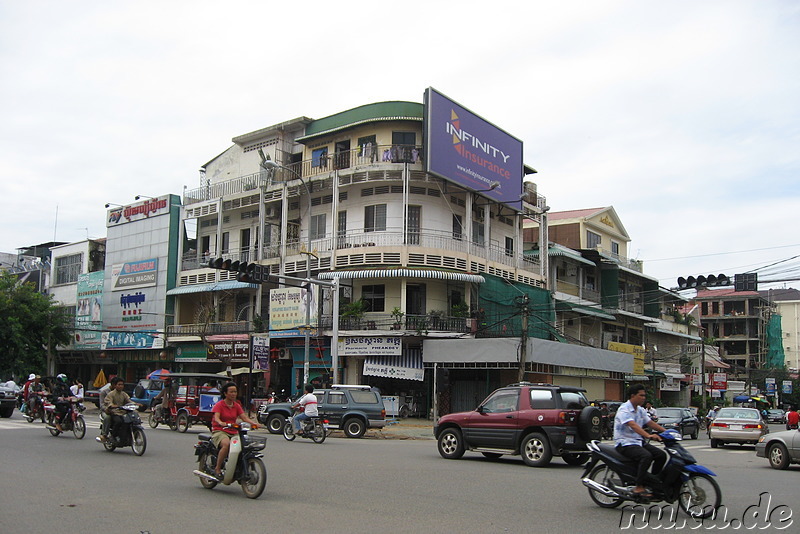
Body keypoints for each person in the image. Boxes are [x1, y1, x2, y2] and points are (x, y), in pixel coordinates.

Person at [614, 384, 667, 497]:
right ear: (633, 396)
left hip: (637, 442)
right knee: (646, 456)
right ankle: (638, 486)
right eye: (641, 395)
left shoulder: (640, 410)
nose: (644, 398)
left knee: (661, 455)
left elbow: (650, 423)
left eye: (644, 395)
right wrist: (648, 435)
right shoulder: (624, 409)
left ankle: (653, 483)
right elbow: (632, 425)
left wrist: (667, 432)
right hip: (624, 443)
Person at [211, 382, 258, 479]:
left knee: (244, 446)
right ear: (225, 393)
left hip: (233, 431)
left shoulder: (236, 405)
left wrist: (254, 424)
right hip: (220, 431)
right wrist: (220, 422)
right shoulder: (219, 405)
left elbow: (244, 418)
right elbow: (216, 417)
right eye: (231, 392)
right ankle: (218, 468)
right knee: (226, 444)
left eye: (235, 392)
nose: (233, 394)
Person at [100, 377, 138, 442]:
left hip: (121, 411)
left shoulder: (123, 394)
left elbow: (128, 400)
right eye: (119, 384)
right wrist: (111, 406)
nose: (121, 386)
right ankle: (108, 435)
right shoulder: (109, 393)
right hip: (112, 411)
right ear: (114, 385)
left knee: (129, 420)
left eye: (122, 385)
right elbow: (105, 403)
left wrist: (136, 404)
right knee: (115, 420)